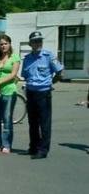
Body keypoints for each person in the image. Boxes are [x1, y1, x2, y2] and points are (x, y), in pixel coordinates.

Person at [21, 31, 64, 159]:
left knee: (44, 123)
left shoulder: (48, 56)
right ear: (30, 44)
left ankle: (43, 150)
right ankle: (33, 147)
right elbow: (25, 75)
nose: (38, 43)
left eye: (40, 40)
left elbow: (60, 73)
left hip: (43, 93)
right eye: (35, 41)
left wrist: (50, 83)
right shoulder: (27, 59)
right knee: (32, 122)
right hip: (30, 92)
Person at [0, 34, 21, 154]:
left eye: (5, 43)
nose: (3, 46)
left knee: (7, 118)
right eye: (1, 44)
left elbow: (13, 74)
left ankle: (6, 144)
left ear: (9, 44)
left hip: (9, 91)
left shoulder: (15, 57)